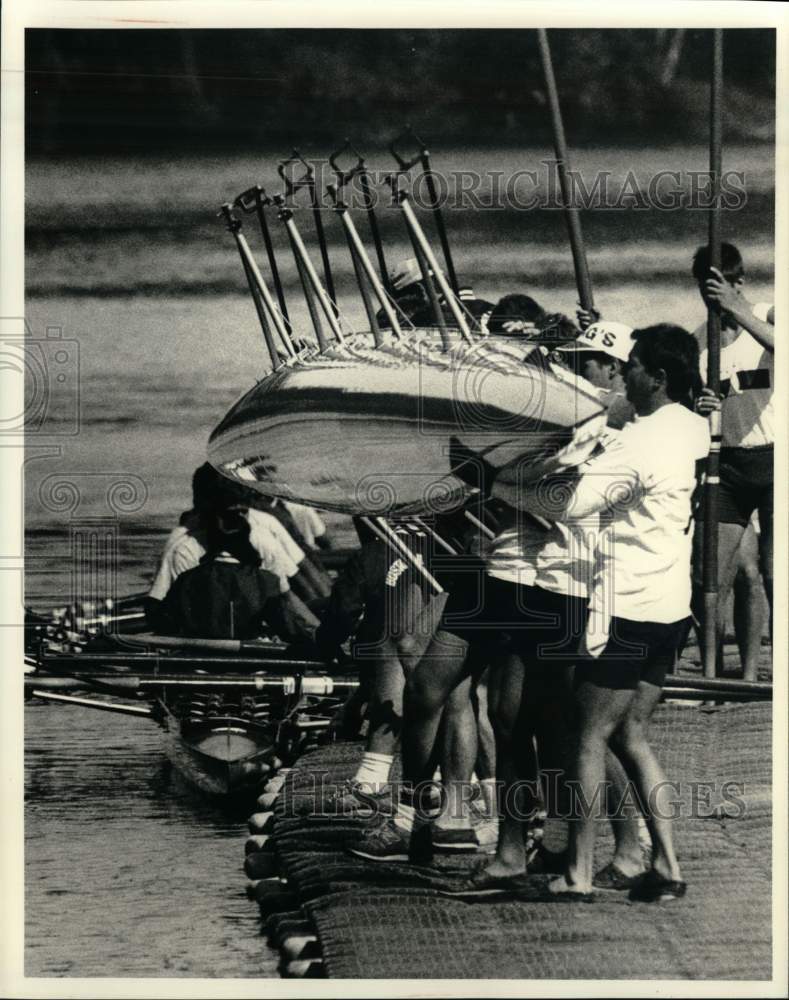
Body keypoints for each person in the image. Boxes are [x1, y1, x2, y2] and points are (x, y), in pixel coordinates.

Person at [492, 324, 709, 901]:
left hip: (626, 605)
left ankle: (579, 872)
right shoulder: (691, 426)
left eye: (632, 365)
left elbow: (569, 505)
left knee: (586, 736)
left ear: (657, 378)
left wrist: (502, 485)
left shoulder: (640, 443)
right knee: (632, 735)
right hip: (671, 604)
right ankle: (667, 863)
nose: (624, 372)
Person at [690, 242, 774, 677]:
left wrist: (738, 310)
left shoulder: (768, 314)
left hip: (776, 460)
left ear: (738, 283)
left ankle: (754, 673)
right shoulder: (698, 342)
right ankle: (710, 675)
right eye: (705, 292)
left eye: (719, 289)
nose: (712, 301)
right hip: (727, 465)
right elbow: (685, 404)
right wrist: (699, 404)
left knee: (772, 571)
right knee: (712, 576)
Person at [145, 464, 315, 628]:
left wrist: (317, 630)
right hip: (201, 633)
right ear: (211, 513)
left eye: (243, 513)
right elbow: (161, 613)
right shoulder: (185, 550)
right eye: (229, 515)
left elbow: (288, 599)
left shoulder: (263, 541)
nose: (237, 521)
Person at [157, 507, 318, 643]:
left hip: (199, 660)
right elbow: (289, 630)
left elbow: (165, 622)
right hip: (250, 660)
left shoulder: (186, 579)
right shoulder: (267, 581)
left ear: (211, 543)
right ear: (245, 542)